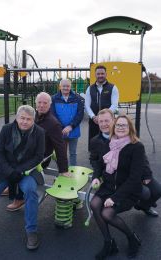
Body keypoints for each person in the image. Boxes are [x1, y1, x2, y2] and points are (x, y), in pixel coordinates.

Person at [0, 105, 45, 250]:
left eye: (28, 119)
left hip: (26, 171)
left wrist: (20, 171)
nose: (25, 122)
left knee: (31, 193)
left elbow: (38, 156)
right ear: (17, 118)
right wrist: (9, 171)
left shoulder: (40, 132)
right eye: (22, 118)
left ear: (34, 120)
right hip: (6, 169)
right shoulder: (7, 129)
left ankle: (31, 231)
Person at [90, 114, 145, 259]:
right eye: (118, 125)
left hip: (127, 191)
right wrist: (96, 177)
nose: (120, 128)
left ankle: (132, 238)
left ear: (130, 128)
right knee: (94, 204)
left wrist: (114, 198)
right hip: (108, 186)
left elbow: (134, 178)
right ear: (114, 127)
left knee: (107, 213)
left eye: (124, 125)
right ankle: (109, 243)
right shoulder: (110, 143)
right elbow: (100, 164)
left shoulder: (136, 147)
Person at [6, 92, 71, 211]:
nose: (41, 105)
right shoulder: (32, 116)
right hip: (26, 152)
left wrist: (63, 169)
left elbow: (60, 147)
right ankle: (11, 186)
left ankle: (20, 198)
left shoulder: (53, 123)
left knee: (22, 165)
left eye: (45, 103)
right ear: (35, 104)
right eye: (39, 102)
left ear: (49, 105)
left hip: (41, 158)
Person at [90, 109, 160, 218]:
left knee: (156, 191)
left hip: (135, 171)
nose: (104, 124)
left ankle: (144, 206)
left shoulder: (125, 133)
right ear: (97, 123)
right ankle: (135, 201)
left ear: (113, 120)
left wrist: (147, 174)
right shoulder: (95, 141)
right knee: (144, 193)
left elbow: (141, 157)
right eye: (101, 121)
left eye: (107, 121)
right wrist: (97, 176)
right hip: (115, 175)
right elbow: (94, 160)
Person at [51, 79, 84, 166]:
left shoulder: (77, 98)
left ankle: (73, 171)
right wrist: (62, 127)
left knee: (73, 153)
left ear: (70, 87)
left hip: (74, 130)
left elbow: (80, 114)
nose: (65, 88)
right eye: (63, 86)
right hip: (60, 131)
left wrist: (70, 126)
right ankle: (63, 171)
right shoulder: (54, 99)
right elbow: (53, 115)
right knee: (61, 153)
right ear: (60, 87)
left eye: (68, 86)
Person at [85, 65, 119, 148]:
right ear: (95, 75)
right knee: (94, 145)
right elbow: (86, 105)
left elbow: (114, 105)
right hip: (94, 122)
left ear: (106, 74)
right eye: (98, 74)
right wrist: (93, 117)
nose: (100, 75)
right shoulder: (90, 88)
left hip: (108, 122)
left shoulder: (113, 87)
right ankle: (94, 160)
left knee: (109, 145)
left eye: (102, 73)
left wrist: (103, 117)